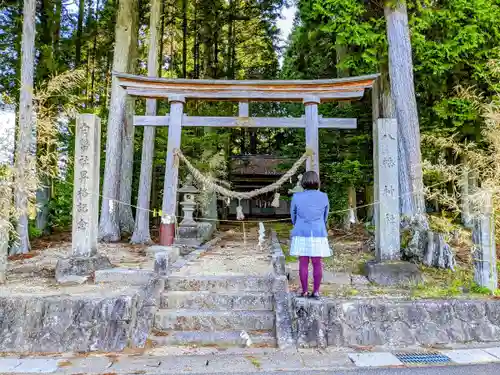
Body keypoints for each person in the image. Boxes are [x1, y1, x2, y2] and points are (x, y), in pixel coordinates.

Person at [290, 170, 332, 299]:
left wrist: (299, 224)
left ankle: (304, 291)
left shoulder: (296, 197)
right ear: (317, 182)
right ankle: (316, 291)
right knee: (317, 263)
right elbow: (325, 216)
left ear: (303, 182)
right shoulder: (324, 196)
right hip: (318, 232)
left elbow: (293, 216)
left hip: (301, 231)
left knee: (303, 262)